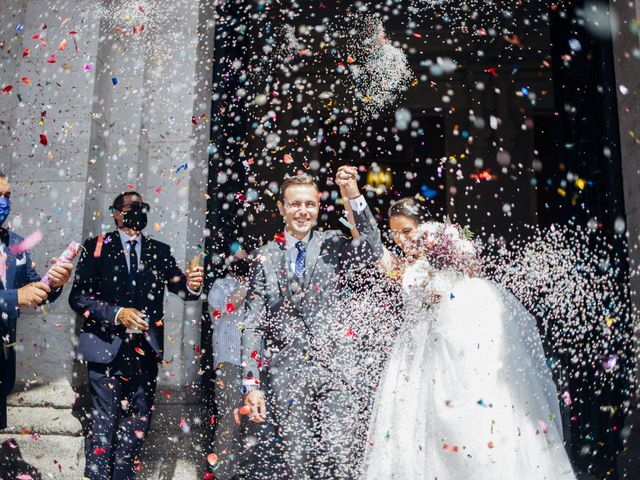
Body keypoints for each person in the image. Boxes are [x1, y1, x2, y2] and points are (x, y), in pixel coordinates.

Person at [363, 197, 577, 480]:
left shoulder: (448, 257)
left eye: (406, 231)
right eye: (395, 234)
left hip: (452, 356)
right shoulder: (405, 268)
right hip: (416, 358)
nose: (400, 239)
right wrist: (353, 197)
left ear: (424, 228)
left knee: (470, 426)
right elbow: (375, 249)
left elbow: (466, 293)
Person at [240, 167, 384, 479]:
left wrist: (352, 193)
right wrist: (252, 384)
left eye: (309, 204)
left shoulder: (333, 244)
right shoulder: (265, 257)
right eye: (295, 204)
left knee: (339, 454)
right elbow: (253, 324)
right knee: (297, 462)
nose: (302, 211)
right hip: (286, 375)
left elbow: (373, 248)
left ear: (318, 208)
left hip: (336, 370)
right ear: (281, 208)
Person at [69, 191, 204, 480]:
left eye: (142, 207)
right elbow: (78, 298)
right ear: (116, 212)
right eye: (132, 207)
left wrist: (192, 285)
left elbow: (181, 288)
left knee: (138, 421)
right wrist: (118, 313)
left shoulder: (159, 250)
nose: (138, 211)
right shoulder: (96, 247)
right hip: (106, 347)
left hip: (144, 350)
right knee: (104, 420)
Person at [0, 172, 73, 429]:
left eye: (7, 196)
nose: (4, 202)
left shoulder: (15, 243)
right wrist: (16, 297)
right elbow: (20, 295)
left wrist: (55, 281)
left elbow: (36, 289)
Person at [207, 254, 250, 479]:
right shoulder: (220, 285)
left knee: (252, 420)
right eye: (238, 254)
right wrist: (246, 284)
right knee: (229, 417)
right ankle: (224, 473)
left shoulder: (260, 284)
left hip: (254, 364)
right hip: (230, 361)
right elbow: (228, 306)